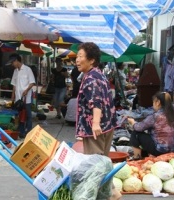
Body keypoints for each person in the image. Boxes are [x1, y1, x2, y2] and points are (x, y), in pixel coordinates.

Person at [75, 42, 119, 200]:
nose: (77, 60)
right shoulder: (98, 74)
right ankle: (112, 192)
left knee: (95, 165)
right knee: (103, 162)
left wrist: (95, 123)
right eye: (77, 56)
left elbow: (96, 102)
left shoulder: (91, 78)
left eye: (80, 56)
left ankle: (107, 194)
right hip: (107, 126)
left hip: (96, 128)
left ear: (91, 60)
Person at [127, 92, 174, 160]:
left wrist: (132, 122)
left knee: (135, 134)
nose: (153, 104)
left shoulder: (156, 116)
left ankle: (136, 158)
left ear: (158, 102)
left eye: (153, 102)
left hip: (161, 150)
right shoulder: (173, 114)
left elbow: (138, 127)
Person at [7, 53, 35, 138]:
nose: (12, 65)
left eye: (12, 63)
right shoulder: (15, 71)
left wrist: (26, 90)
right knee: (19, 115)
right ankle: (21, 132)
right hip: (18, 98)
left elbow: (32, 83)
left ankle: (28, 131)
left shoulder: (27, 69)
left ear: (16, 61)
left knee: (28, 115)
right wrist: (12, 96)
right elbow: (14, 84)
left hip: (26, 98)